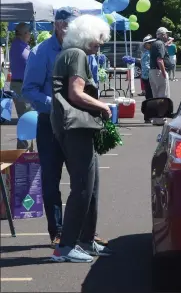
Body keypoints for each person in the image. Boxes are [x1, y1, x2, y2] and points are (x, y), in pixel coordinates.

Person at [22, 7, 107, 249]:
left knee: (87, 181)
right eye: (71, 23)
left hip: (79, 125)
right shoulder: (40, 52)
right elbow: (29, 90)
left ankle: (85, 235)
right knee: (52, 180)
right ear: (59, 25)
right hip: (50, 124)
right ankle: (58, 232)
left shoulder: (84, 51)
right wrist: (59, 105)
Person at [50, 14, 113, 263]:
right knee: (83, 187)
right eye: (97, 42)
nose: (99, 47)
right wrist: (103, 106)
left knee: (92, 186)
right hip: (75, 126)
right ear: (86, 37)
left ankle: (85, 241)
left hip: (73, 126)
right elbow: (75, 94)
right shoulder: (76, 55)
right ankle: (66, 247)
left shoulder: (69, 54)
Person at [9, 22, 33, 148]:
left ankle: (24, 149)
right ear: (24, 34)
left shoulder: (18, 45)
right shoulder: (21, 48)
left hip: (18, 84)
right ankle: (23, 150)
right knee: (26, 118)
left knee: (25, 117)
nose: (30, 34)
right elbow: (29, 66)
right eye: (28, 32)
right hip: (21, 85)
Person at [141, 35, 155, 122]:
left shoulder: (148, 53)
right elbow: (146, 66)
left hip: (147, 77)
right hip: (148, 77)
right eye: (150, 43)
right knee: (149, 97)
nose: (152, 44)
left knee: (150, 97)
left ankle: (149, 116)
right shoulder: (147, 54)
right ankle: (148, 117)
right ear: (146, 44)